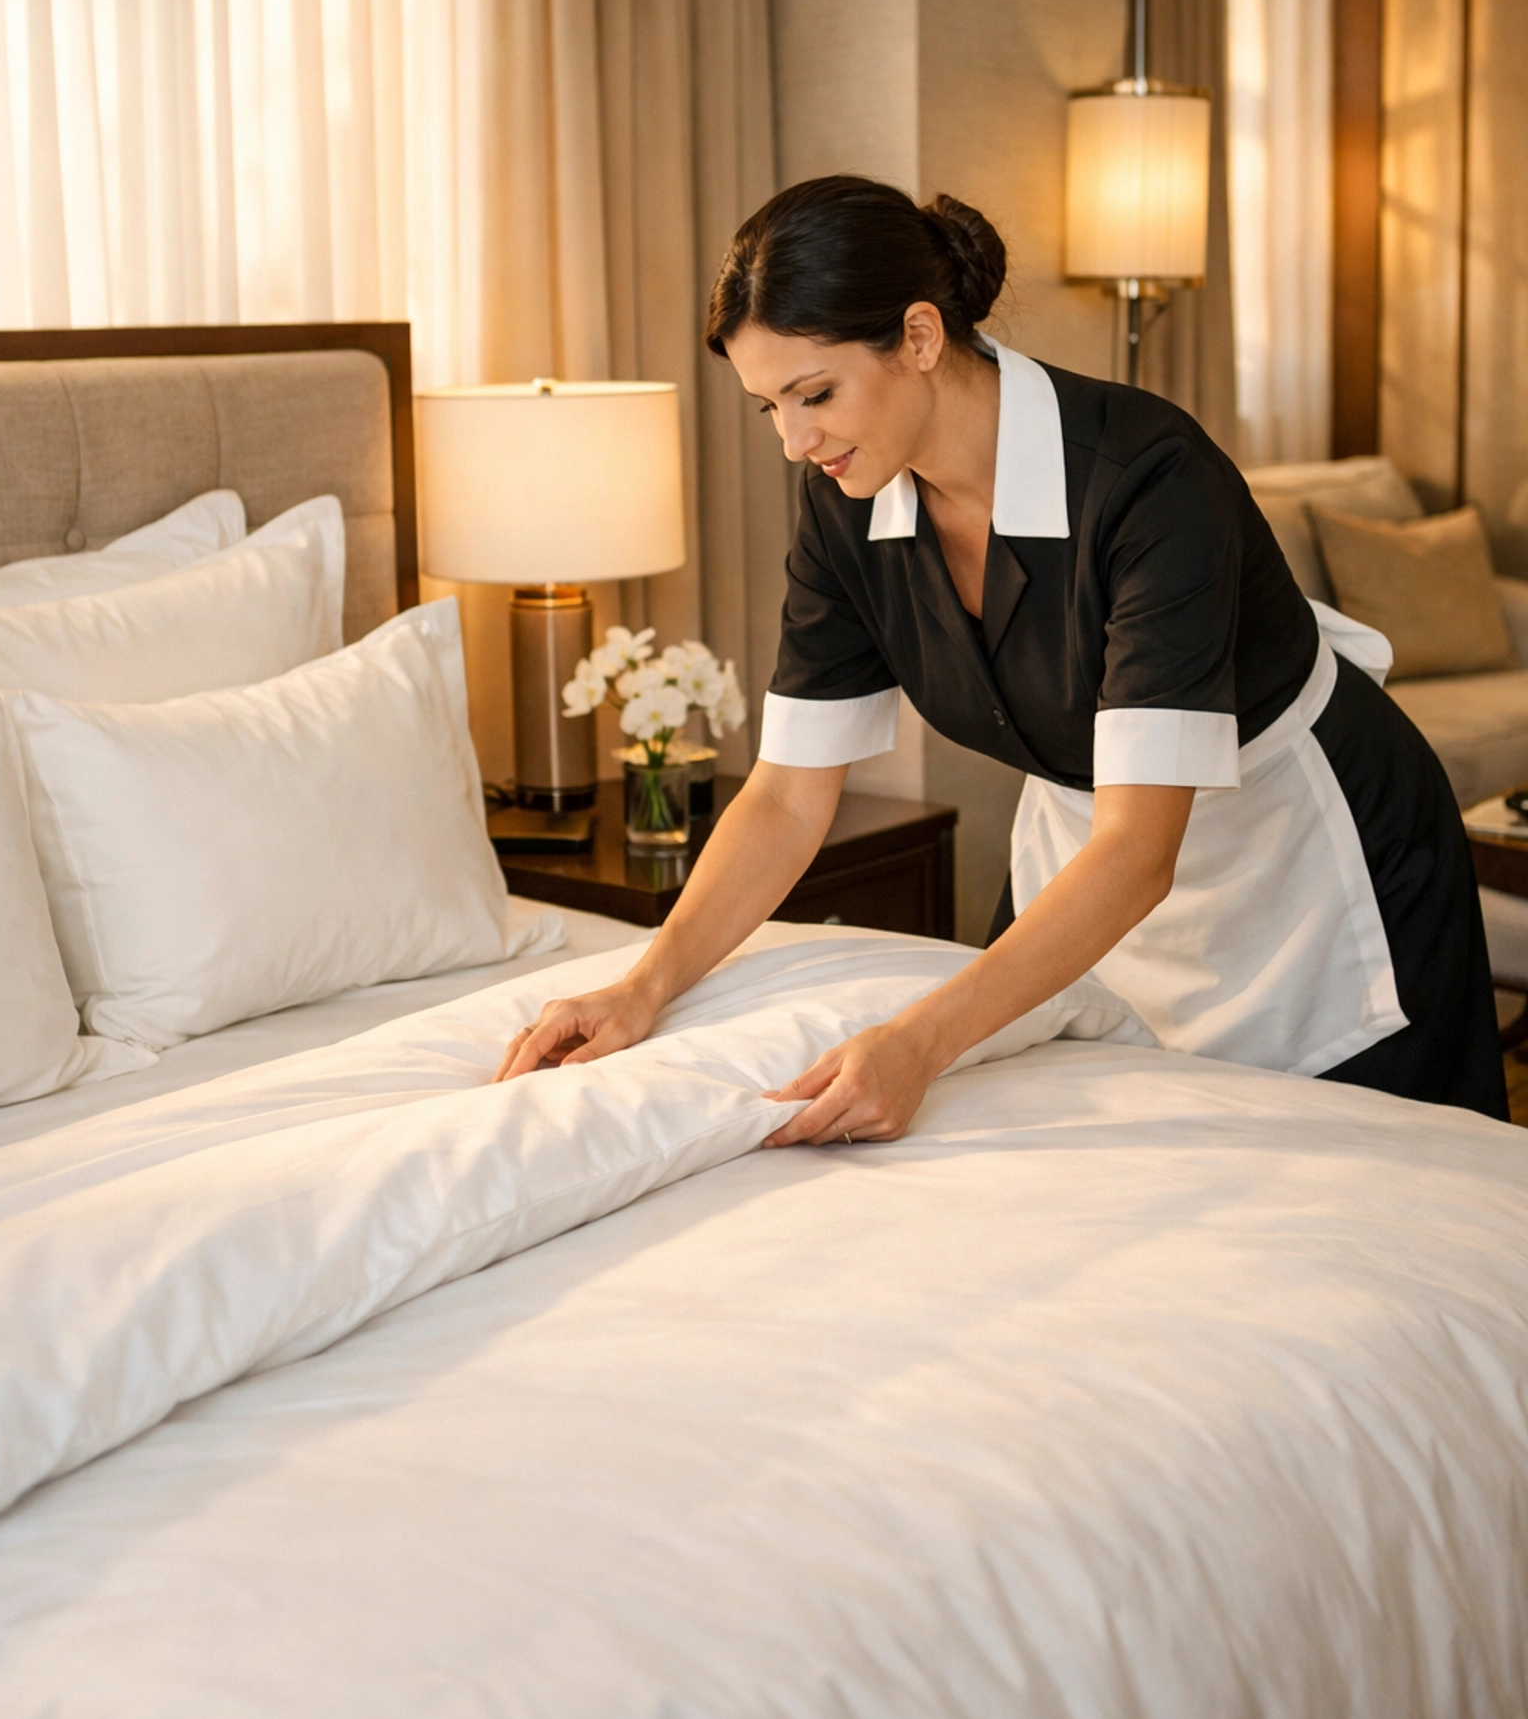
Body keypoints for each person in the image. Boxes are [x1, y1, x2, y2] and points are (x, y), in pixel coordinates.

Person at [497, 174, 1507, 1133]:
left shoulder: (1146, 477)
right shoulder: (849, 504)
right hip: (1088, 861)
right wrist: (647, 982)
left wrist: (919, 1041)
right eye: (771, 407)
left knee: (1370, 1202)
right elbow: (788, 794)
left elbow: (1140, 851)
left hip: (1302, 863)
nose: (794, 443)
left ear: (921, 336)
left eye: (815, 395)